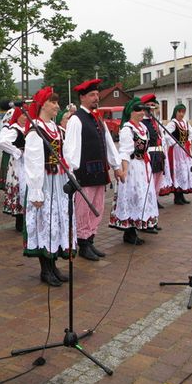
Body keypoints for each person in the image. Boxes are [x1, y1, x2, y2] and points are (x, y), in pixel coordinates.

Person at [63, 79, 123, 261]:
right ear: (82, 98)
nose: (96, 98)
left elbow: (109, 144)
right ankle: (82, 243)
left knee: (97, 207)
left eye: (97, 94)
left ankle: (90, 239)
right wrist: (72, 172)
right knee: (83, 209)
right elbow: (70, 148)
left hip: (99, 172)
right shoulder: (76, 119)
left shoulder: (98, 118)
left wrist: (117, 166)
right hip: (84, 173)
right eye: (91, 95)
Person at [23, 87, 71, 287]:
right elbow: (33, 163)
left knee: (57, 221)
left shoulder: (57, 129)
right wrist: (36, 191)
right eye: (54, 103)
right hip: (43, 182)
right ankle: (45, 269)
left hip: (57, 181)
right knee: (45, 222)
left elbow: (65, 156)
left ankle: (53, 264)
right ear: (43, 104)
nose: (57, 107)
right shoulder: (36, 130)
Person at [109, 98, 159, 244]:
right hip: (132, 167)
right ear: (130, 111)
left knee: (142, 196)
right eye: (138, 110)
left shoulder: (142, 127)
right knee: (133, 195)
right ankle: (129, 232)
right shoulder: (127, 129)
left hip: (143, 166)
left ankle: (138, 226)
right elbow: (124, 152)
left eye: (143, 110)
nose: (141, 113)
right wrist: (124, 171)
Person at [0, 106, 26, 232]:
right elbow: (2, 141)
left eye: (27, 115)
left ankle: (23, 219)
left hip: (26, 163)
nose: (25, 117)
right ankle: (19, 221)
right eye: (23, 115)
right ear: (17, 116)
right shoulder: (14, 129)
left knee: (24, 188)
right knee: (20, 188)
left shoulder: (25, 128)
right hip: (18, 164)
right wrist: (16, 151)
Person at [140, 93, 171, 209]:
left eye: (153, 106)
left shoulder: (155, 121)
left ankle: (155, 199)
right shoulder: (142, 122)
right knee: (151, 181)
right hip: (150, 154)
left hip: (159, 154)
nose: (151, 109)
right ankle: (149, 201)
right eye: (149, 106)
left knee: (158, 179)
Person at [166, 104, 192, 205]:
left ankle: (181, 194)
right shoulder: (173, 123)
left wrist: (188, 141)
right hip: (176, 152)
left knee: (185, 172)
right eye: (180, 112)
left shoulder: (185, 123)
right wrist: (175, 143)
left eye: (183, 112)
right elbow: (166, 134)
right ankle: (177, 197)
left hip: (185, 151)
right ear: (175, 112)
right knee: (178, 171)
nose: (181, 114)